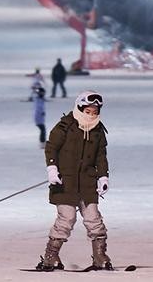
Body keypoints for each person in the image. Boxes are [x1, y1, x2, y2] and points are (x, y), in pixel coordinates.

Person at [37, 91, 112, 272]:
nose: (91, 115)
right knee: (66, 218)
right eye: (88, 111)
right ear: (79, 108)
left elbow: (101, 156)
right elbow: (51, 148)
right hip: (65, 182)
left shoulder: (98, 131)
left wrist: (103, 176)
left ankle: (100, 255)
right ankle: (51, 256)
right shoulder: (65, 126)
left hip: (87, 183)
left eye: (95, 112)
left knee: (94, 219)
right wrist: (52, 169)